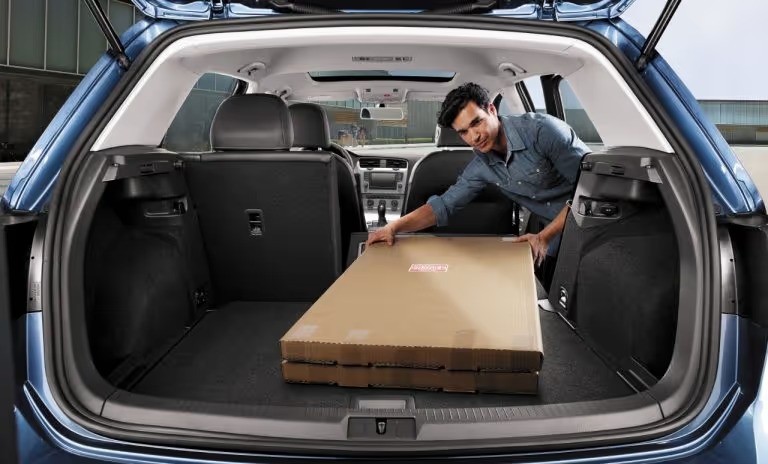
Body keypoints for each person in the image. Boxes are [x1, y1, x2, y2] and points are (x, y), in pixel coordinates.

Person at [366, 82, 590, 288]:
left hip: (594, 227)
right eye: (463, 132)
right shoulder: (481, 167)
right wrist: (393, 227)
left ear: (491, 110)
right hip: (555, 238)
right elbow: (442, 206)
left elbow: (590, 189)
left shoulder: (543, 131)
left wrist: (543, 237)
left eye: (476, 122)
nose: (474, 137)